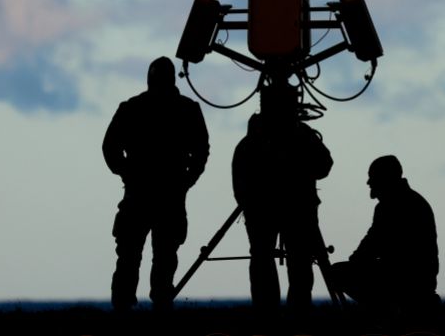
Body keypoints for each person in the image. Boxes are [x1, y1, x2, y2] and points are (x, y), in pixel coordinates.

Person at [102, 56, 210, 311]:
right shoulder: (187, 109)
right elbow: (201, 150)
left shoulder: (132, 108)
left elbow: (110, 148)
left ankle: (128, 308)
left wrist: (126, 172)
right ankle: (158, 306)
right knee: (160, 256)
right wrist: (187, 180)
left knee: (135, 256)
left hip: (144, 194)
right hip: (166, 195)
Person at [231, 110, 333, 317]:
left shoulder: (250, 142)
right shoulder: (300, 135)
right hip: (295, 209)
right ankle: (297, 314)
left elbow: (239, 180)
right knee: (298, 261)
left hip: (266, 210)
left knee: (267, 259)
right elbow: (324, 166)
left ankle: (268, 315)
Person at [332, 155, 439, 316]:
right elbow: (372, 243)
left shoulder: (393, 206)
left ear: (385, 178)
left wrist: (356, 261)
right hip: (418, 278)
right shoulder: (410, 201)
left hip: (405, 278)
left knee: (337, 273)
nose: (369, 183)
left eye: (372, 178)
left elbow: (372, 245)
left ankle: (386, 313)